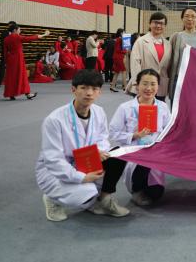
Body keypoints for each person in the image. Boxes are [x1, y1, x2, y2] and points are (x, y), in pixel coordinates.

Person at [35, 70, 130, 221]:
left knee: (118, 156)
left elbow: (103, 138)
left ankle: (103, 200)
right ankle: (52, 199)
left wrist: (98, 151)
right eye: (84, 88)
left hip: (86, 160)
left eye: (94, 89)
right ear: (73, 89)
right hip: (57, 169)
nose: (89, 93)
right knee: (87, 192)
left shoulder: (99, 112)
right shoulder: (54, 120)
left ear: (99, 92)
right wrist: (82, 177)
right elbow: (53, 160)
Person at [109, 69, 171, 206]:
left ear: (158, 86)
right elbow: (113, 132)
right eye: (145, 84)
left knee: (156, 193)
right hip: (135, 152)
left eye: (153, 84)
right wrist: (133, 135)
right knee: (141, 166)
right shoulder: (125, 108)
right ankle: (136, 190)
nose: (149, 88)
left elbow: (169, 131)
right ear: (137, 85)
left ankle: (148, 185)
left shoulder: (163, 107)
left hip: (155, 153)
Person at [126, 12, 172, 101]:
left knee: (159, 108)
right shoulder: (141, 41)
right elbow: (135, 63)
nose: (158, 26)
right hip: (144, 85)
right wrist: (137, 83)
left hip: (161, 86)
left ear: (165, 26)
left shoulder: (168, 44)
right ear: (150, 24)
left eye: (161, 23)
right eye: (155, 22)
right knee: (142, 109)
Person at [3, 24, 50, 100]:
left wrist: (6, 62)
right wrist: (44, 34)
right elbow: (30, 38)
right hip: (18, 59)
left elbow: (5, 52)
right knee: (22, 76)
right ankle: (28, 94)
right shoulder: (17, 37)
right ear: (14, 30)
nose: (20, 31)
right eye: (19, 29)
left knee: (11, 77)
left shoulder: (6, 39)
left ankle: (11, 94)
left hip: (10, 60)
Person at [170, 8, 196, 100]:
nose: (190, 19)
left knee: (193, 105)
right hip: (178, 78)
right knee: (176, 105)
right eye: (186, 16)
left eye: (193, 16)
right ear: (182, 18)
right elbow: (169, 58)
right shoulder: (176, 36)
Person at [0, 21, 16, 87]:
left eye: (11, 26)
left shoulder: (16, 33)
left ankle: (13, 83)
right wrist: (7, 50)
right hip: (5, 53)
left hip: (14, 54)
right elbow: (2, 43)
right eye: (9, 25)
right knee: (2, 67)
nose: (10, 27)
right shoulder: (4, 33)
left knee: (14, 68)